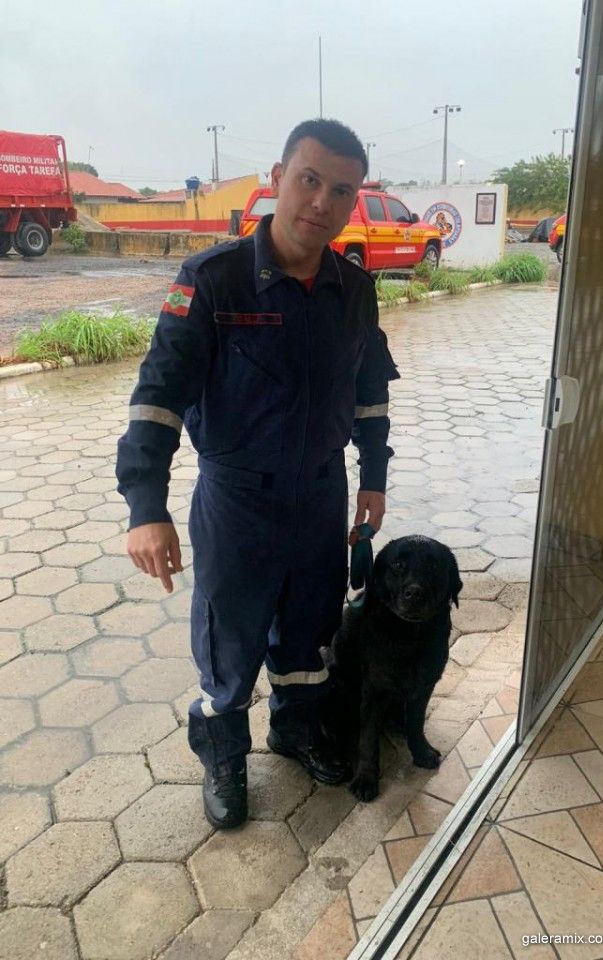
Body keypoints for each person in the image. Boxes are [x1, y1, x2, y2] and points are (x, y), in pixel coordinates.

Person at [115, 119, 399, 829]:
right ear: (277, 178)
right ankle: (224, 757)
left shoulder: (354, 288)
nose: (322, 202)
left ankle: (294, 730)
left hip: (321, 495)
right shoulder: (213, 281)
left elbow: (370, 390)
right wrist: (146, 506)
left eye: (342, 190)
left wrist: (373, 475)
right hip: (237, 501)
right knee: (229, 641)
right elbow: (158, 395)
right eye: (309, 179)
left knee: (310, 632)